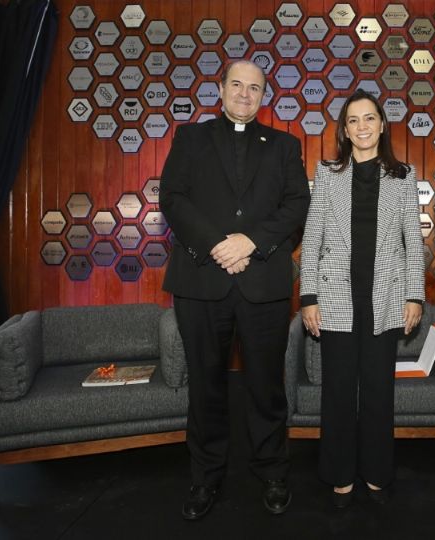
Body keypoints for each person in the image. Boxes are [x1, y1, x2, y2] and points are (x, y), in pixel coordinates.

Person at [159, 60, 310, 520]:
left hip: (263, 283)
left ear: (264, 96)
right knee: (205, 386)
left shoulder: (285, 146)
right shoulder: (190, 138)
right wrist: (217, 246)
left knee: (267, 387)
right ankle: (205, 477)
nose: (245, 94)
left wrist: (252, 242)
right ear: (220, 89)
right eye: (237, 85)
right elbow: (173, 198)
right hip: (201, 282)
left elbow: (296, 204)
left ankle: (272, 471)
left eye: (255, 88)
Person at [299, 89, 425, 508]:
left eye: (369, 118)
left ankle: (376, 469)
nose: (362, 127)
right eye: (353, 120)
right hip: (335, 297)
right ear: (345, 130)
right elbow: (312, 238)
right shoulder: (327, 174)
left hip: (386, 298)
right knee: (337, 390)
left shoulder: (403, 177)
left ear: (381, 125)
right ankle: (337, 470)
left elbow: (413, 243)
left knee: (376, 391)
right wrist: (308, 297)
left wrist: (415, 296)